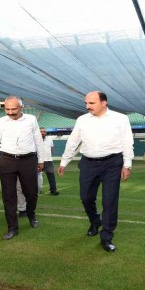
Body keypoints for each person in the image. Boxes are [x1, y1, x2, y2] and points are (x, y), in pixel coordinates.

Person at [57, 91, 134, 252]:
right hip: (88, 163)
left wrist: (127, 165)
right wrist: (64, 161)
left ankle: (106, 236)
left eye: (91, 103)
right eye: (86, 103)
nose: (87, 106)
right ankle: (95, 220)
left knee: (110, 201)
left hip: (112, 163)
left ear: (104, 102)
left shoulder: (121, 119)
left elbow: (127, 142)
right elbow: (73, 141)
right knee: (86, 197)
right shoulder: (82, 120)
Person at [0, 96, 46, 240]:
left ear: (21, 107)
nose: (10, 112)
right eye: (7, 109)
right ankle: (12, 228)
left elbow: (38, 140)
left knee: (31, 192)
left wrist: (41, 159)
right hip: (6, 160)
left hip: (28, 160)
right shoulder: (0, 122)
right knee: (8, 196)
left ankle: (31, 214)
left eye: (13, 109)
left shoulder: (31, 119)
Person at [40, 128, 59, 195]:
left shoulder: (49, 139)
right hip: (39, 162)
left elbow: (52, 148)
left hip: (49, 161)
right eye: (41, 131)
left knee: (51, 176)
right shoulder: (35, 139)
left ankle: (53, 191)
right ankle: (37, 190)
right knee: (36, 177)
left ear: (46, 133)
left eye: (44, 131)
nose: (43, 133)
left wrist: (49, 156)